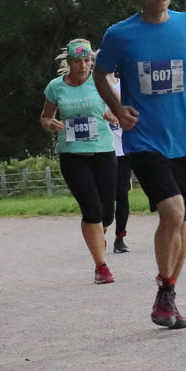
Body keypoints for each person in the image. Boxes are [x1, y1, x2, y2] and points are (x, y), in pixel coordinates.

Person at [94, 0, 186, 330]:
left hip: (185, 138)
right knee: (174, 210)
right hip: (143, 139)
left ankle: (168, 293)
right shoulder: (120, 35)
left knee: (182, 221)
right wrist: (118, 108)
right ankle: (165, 292)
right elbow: (100, 74)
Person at [41, 38, 120, 283]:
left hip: (103, 150)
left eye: (87, 61)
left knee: (107, 213)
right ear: (69, 62)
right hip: (72, 154)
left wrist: (113, 114)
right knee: (92, 209)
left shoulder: (100, 81)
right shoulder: (55, 87)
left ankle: (99, 233)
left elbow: (116, 106)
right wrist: (50, 124)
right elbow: (45, 116)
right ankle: (101, 266)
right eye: (78, 61)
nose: (83, 66)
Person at [109, 74, 132, 255]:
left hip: (123, 149)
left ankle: (120, 237)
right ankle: (100, 230)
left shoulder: (125, 84)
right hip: (103, 148)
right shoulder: (94, 85)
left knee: (122, 194)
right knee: (105, 196)